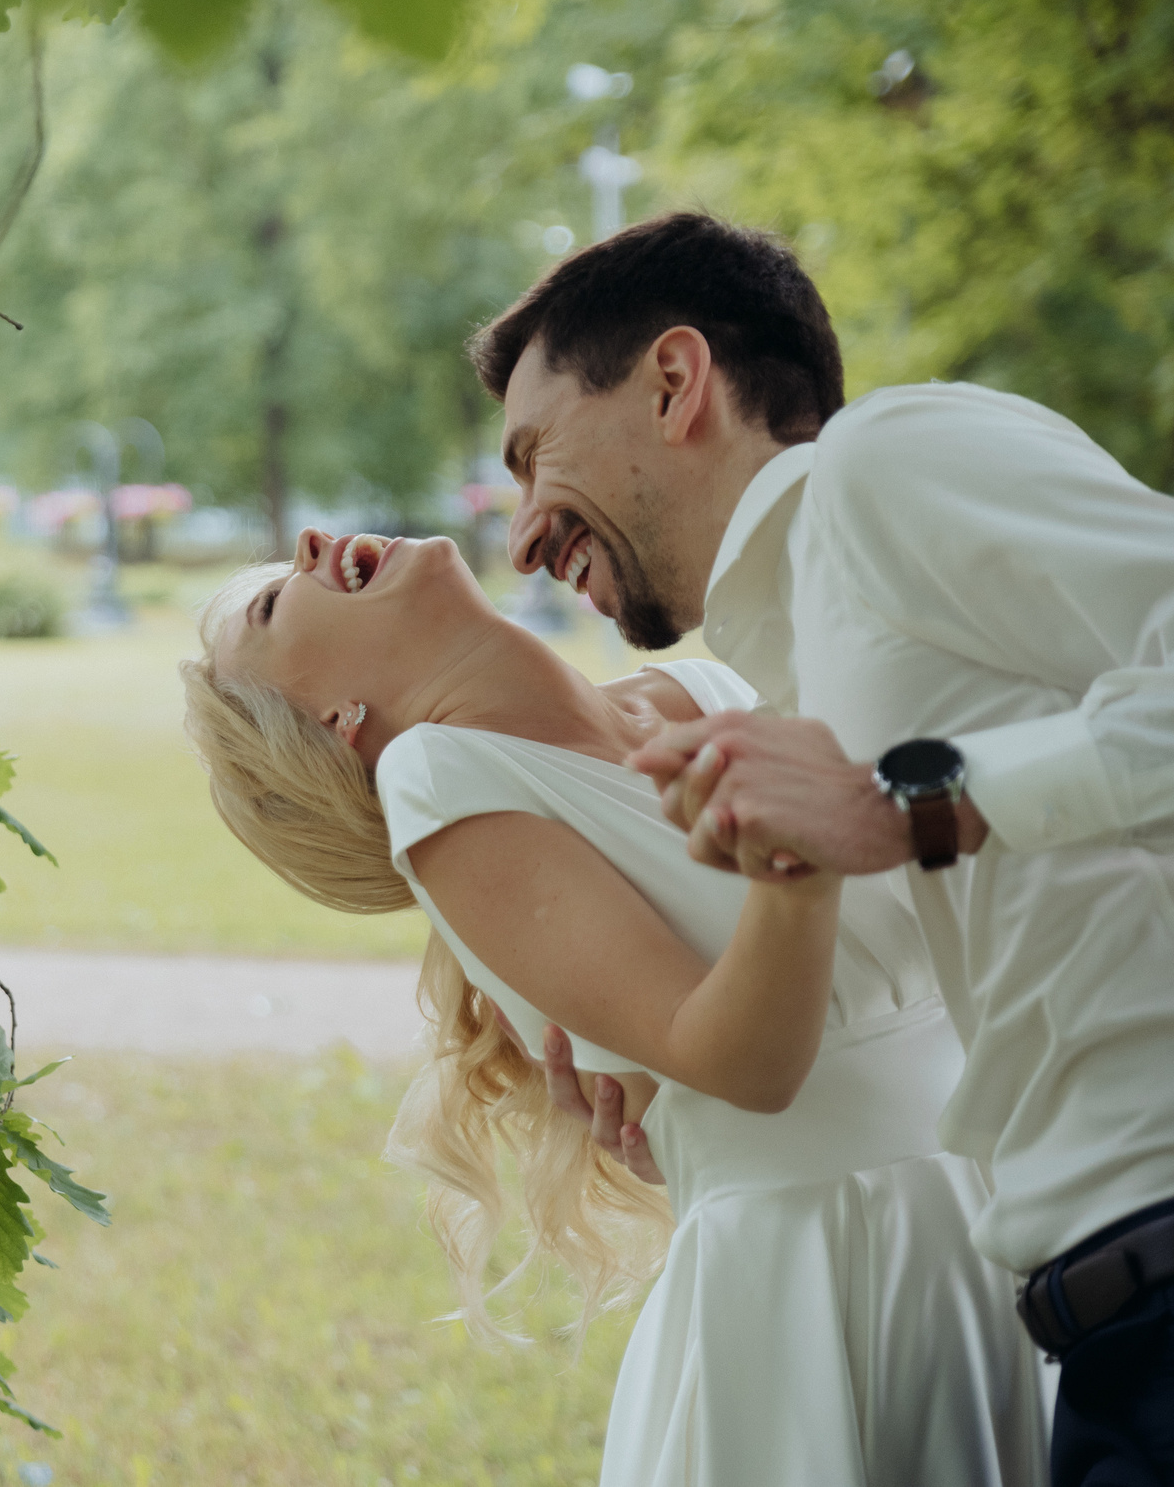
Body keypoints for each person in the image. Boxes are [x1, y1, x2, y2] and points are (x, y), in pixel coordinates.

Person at [480, 210, 1174, 1485]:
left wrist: (922, 803)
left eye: (535, 456)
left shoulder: (883, 465)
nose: (522, 531)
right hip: (1094, 1331)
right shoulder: (802, 659)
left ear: (675, 380)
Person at [182, 528, 1044, 1484]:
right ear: (341, 717)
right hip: (821, 1277)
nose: (310, 541)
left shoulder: (702, 692)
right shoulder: (438, 780)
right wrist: (794, 854)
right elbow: (739, 1064)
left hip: (988, 1212)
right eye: (273, 605)